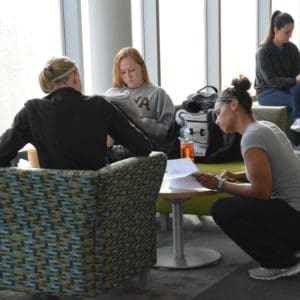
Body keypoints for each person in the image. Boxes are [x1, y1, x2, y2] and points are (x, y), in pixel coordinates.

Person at [193, 75, 300, 280]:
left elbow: (261, 192)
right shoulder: (266, 127)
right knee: (241, 205)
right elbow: (274, 170)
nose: (216, 120)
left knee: (222, 209)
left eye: (218, 113)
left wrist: (220, 185)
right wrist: (238, 176)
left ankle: (280, 261)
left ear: (233, 105)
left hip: (295, 218)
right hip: (295, 215)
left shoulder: (252, 136)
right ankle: (289, 248)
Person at [0, 56, 152, 169]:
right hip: (99, 203)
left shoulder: (31, 111)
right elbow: (142, 146)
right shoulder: (100, 105)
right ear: (75, 76)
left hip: (51, 206)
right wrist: (110, 153)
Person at [105, 47, 177, 159]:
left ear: (142, 68)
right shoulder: (114, 94)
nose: (128, 77)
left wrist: (139, 122)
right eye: (123, 72)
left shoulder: (157, 93)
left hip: (147, 146)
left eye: (132, 70)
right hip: (117, 145)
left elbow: (168, 132)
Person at [254, 10, 300, 146]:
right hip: (267, 92)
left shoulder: (292, 49)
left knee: (296, 94)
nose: (290, 35)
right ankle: (296, 144)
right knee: (295, 100)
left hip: (288, 88)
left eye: (291, 31)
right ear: (276, 30)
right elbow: (271, 81)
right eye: (287, 32)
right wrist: (295, 81)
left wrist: (296, 80)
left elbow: (297, 72)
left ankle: (296, 143)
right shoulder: (263, 52)